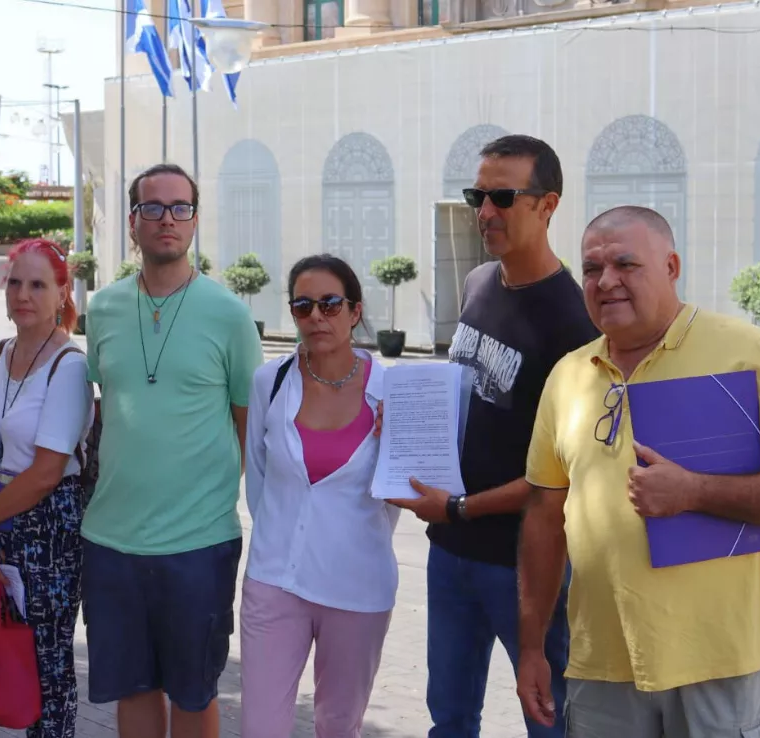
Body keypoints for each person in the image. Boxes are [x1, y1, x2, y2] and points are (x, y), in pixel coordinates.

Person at [517, 205, 760, 737]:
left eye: (626, 264)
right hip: (603, 670)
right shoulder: (568, 375)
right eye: (592, 269)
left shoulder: (745, 352)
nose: (607, 281)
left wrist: (693, 491)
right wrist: (531, 646)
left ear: (671, 266)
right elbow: (544, 516)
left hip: (722, 664)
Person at [386, 134, 597, 737]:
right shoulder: (478, 283)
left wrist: (456, 507)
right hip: (450, 553)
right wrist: (401, 423)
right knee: (448, 719)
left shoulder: (575, 324)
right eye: (477, 195)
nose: (484, 212)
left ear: (547, 204)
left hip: (525, 567)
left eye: (502, 197)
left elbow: (563, 477)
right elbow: (466, 400)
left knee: (551, 721)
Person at [81, 163, 263, 738]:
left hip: (198, 544)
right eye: (153, 207)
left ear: (195, 219)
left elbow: (247, 426)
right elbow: (104, 409)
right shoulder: (103, 309)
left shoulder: (230, 314)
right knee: (132, 691)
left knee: (192, 692)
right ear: (132, 222)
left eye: (180, 207)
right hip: (110, 540)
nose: (168, 219)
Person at [241, 255, 397, 738]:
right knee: (260, 728)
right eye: (303, 306)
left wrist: (399, 442)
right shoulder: (271, 382)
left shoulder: (392, 391)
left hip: (357, 587)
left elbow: (404, 497)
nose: (316, 317)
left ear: (355, 311)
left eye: (330, 304)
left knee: (337, 726)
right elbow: (259, 480)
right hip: (275, 581)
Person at [0, 238, 94, 738]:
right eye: (15, 283)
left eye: (38, 285)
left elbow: (45, 472)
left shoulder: (69, 366)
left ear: (62, 294)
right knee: (9, 651)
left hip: (47, 527)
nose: (23, 295)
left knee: (48, 666)